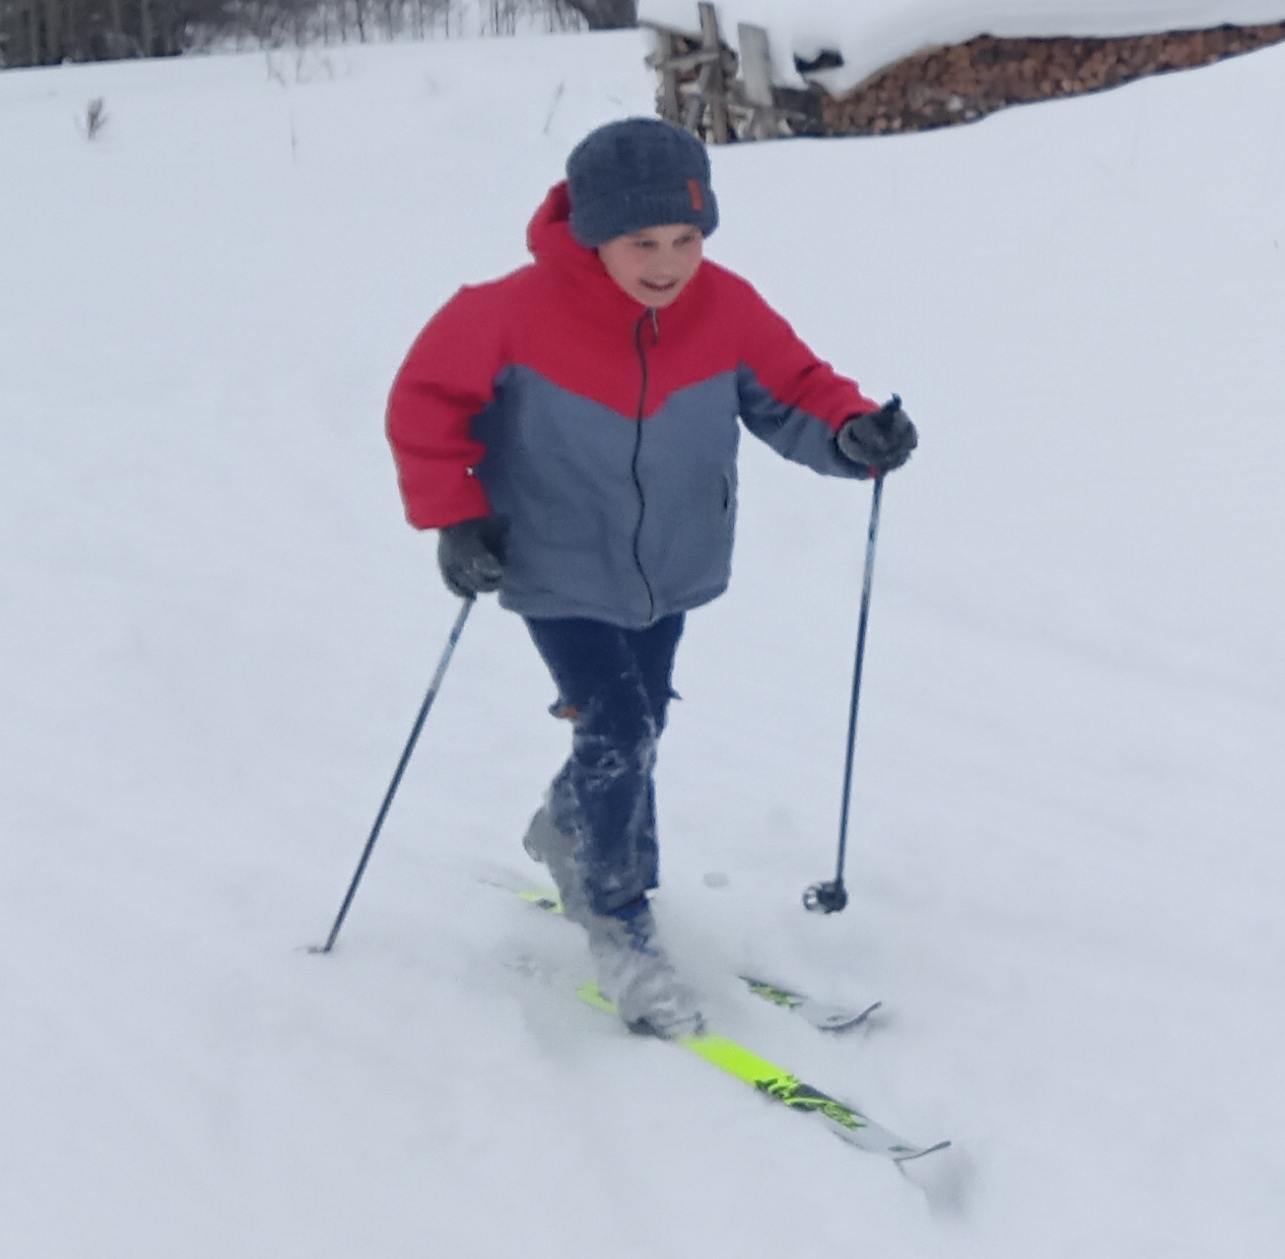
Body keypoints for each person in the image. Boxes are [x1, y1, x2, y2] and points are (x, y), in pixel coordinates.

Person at [386, 116, 913, 1035]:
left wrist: (852, 432)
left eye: (686, 238)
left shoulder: (726, 308)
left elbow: (794, 391)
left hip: (672, 562)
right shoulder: (507, 313)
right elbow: (426, 405)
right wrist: (454, 516)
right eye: (643, 242)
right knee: (620, 726)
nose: (668, 263)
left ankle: (570, 826)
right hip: (555, 560)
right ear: (593, 233)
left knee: (641, 720)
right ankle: (618, 921)